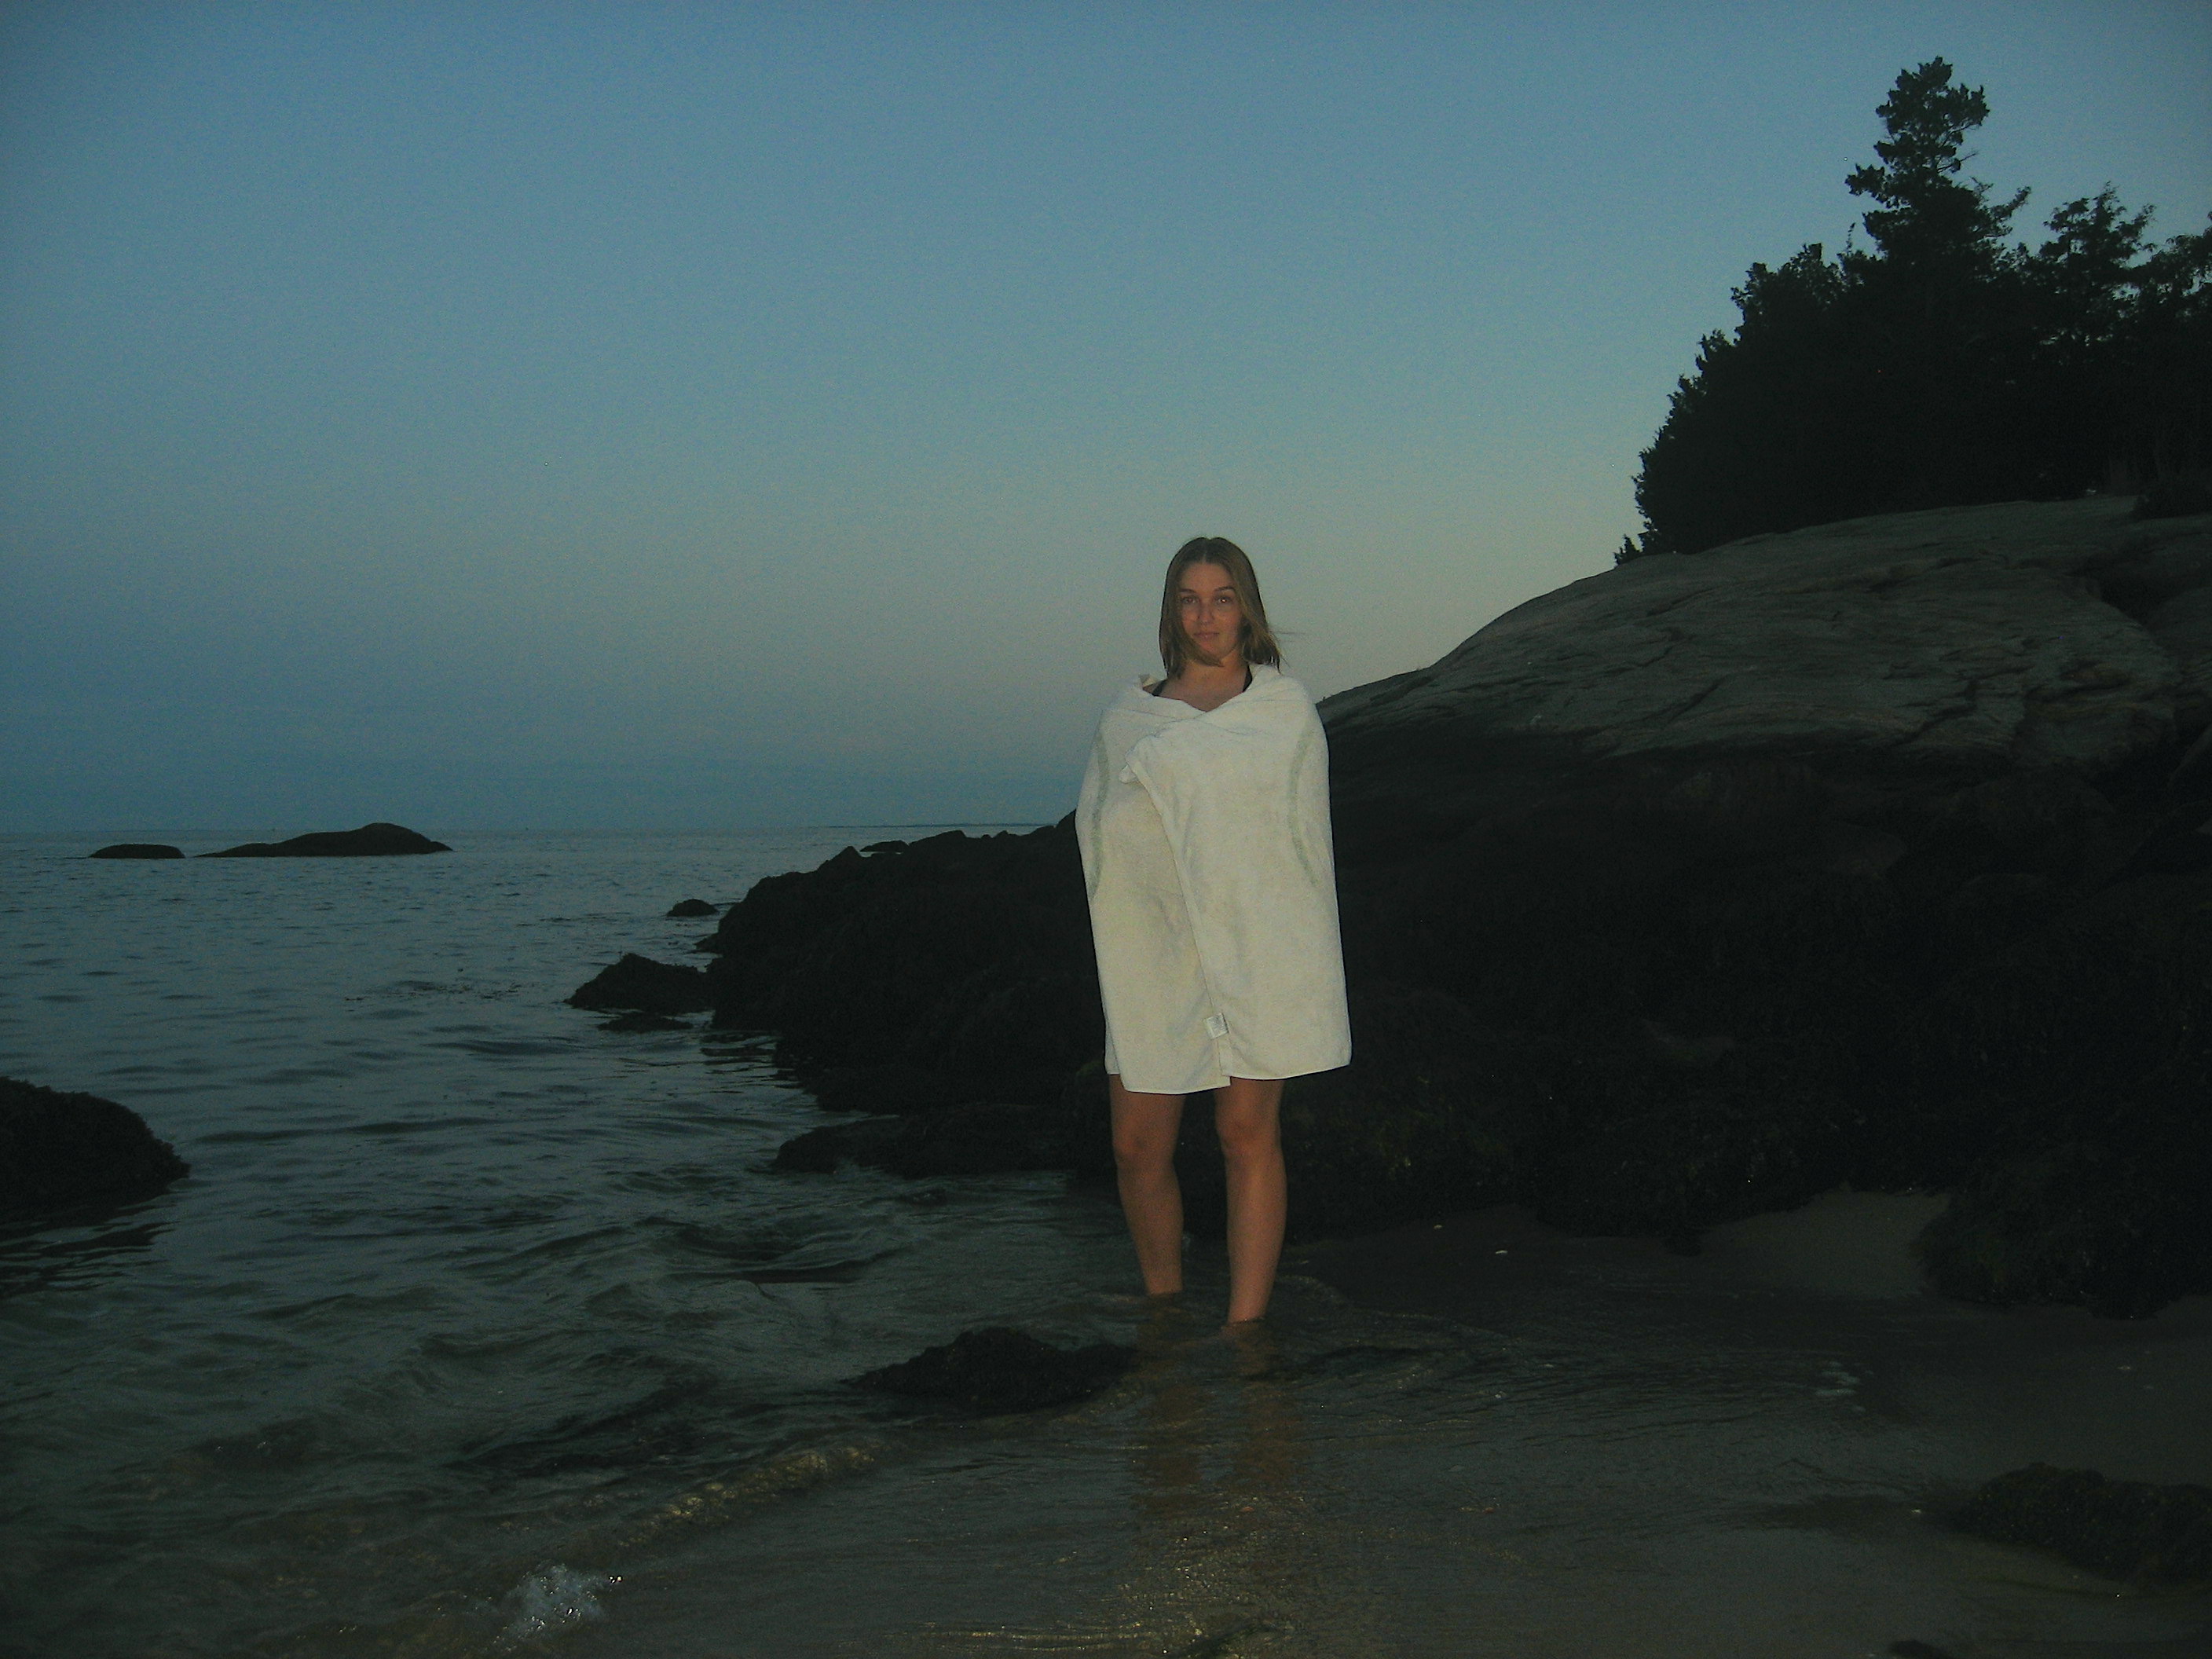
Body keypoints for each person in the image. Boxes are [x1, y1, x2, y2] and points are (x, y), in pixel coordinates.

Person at [1075, 537, 1352, 1326]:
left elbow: (1298, 843)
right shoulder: (1130, 718)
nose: (1206, 617)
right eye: (1190, 600)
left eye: (1221, 599)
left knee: (1244, 1133)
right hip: (1153, 944)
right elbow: (1100, 830)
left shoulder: (1279, 713)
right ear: (1171, 611)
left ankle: (1244, 1327)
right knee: (1135, 1146)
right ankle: (1163, 1305)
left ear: (1246, 608)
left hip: (1257, 943)